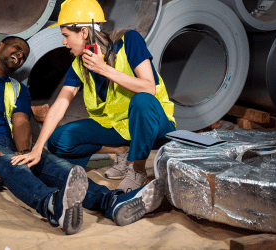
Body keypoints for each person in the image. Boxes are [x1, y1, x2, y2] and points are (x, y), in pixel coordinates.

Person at [0, 36, 163, 235]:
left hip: (7, 148)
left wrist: (27, 155)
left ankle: (113, 203)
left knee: (49, 162)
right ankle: (52, 205)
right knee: (8, 160)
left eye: (24, 55)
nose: (20, 54)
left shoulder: (18, 89)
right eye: (16, 47)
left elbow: (21, 123)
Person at [11, 0, 176, 192]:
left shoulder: (129, 40)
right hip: (119, 129)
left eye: (65, 35)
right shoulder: (78, 65)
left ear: (83, 32)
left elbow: (149, 88)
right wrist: (37, 149)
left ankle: (136, 168)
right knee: (58, 139)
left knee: (142, 100)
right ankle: (121, 151)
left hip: (156, 126)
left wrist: (103, 69)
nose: (64, 43)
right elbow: (60, 105)